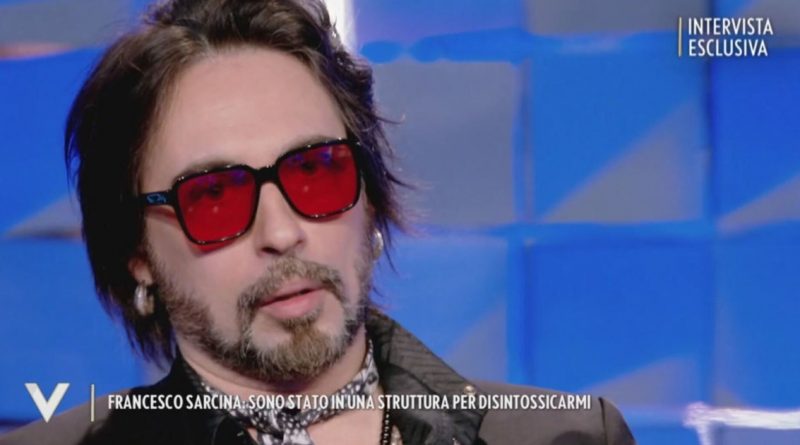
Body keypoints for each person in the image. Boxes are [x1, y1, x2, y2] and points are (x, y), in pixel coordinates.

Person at [1, 0, 636, 444]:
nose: (282, 233)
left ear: (370, 196)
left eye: (316, 171)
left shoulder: (567, 436)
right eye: (214, 196)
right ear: (137, 254)